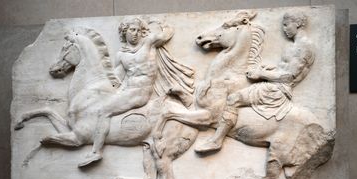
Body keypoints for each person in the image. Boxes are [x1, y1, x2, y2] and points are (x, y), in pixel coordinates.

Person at [195, 11, 315, 153]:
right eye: (283, 25)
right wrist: (270, 69)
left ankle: (216, 140)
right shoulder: (295, 46)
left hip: (276, 90)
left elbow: (289, 77)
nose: (284, 29)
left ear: (298, 24)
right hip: (275, 84)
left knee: (233, 98)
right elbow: (285, 69)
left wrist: (261, 74)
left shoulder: (303, 47)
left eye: (286, 25)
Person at [79, 17, 174, 167]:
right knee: (101, 104)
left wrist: (160, 22)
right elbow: (117, 79)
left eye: (137, 30)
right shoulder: (121, 54)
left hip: (141, 92)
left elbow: (166, 34)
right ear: (125, 32)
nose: (135, 34)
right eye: (131, 30)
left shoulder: (148, 43)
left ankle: (96, 152)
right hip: (128, 90)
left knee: (104, 111)